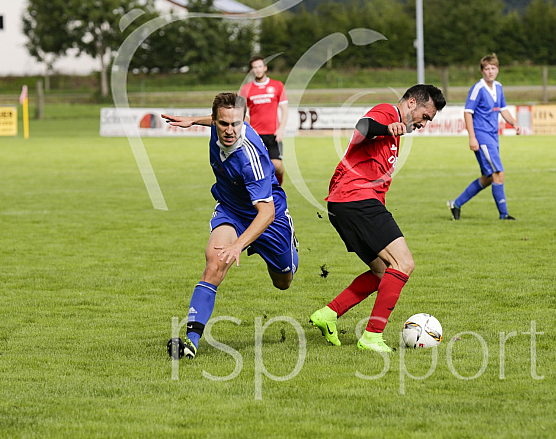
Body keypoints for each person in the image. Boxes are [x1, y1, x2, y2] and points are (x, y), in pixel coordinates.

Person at [309, 84, 446, 353]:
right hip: (356, 200)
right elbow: (364, 126)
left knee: (383, 272)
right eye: (425, 116)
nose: (424, 123)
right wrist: (388, 127)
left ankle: (328, 314)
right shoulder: (388, 112)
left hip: (346, 203)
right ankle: (372, 335)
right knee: (403, 263)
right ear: (411, 103)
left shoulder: (396, 130)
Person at [163, 93, 298, 360]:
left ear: (243, 121)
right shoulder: (218, 126)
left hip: (269, 217)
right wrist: (192, 121)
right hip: (231, 210)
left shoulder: (250, 158)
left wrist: (238, 245)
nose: (229, 130)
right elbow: (216, 121)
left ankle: (286, 245)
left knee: (283, 282)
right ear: (215, 121)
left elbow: (266, 212)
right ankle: (191, 342)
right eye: (223, 124)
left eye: (235, 124)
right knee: (214, 262)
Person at [447, 53, 522, 221]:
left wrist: (514, 123)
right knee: (498, 173)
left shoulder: (498, 87)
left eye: (493, 68)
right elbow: (467, 112)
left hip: (493, 136)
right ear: (482, 71)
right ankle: (504, 215)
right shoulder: (478, 88)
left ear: (497, 69)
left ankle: (456, 204)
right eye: (487, 69)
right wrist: (472, 137)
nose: (490, 72)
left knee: (489, 178)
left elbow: (503, 109)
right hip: (482, 136)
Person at [239, 55, 289, 185]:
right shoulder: (246, 89)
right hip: (255, 135)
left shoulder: (277, 85)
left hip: (273, 134)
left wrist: (281, 129)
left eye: (260, 66)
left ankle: (277, 188)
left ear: (265, 68)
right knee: (255, 168)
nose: (258, 70)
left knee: (277, 166)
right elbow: (241, 112)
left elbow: (285, 109)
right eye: (255, 67)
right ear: (252, 70)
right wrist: (245, 129)